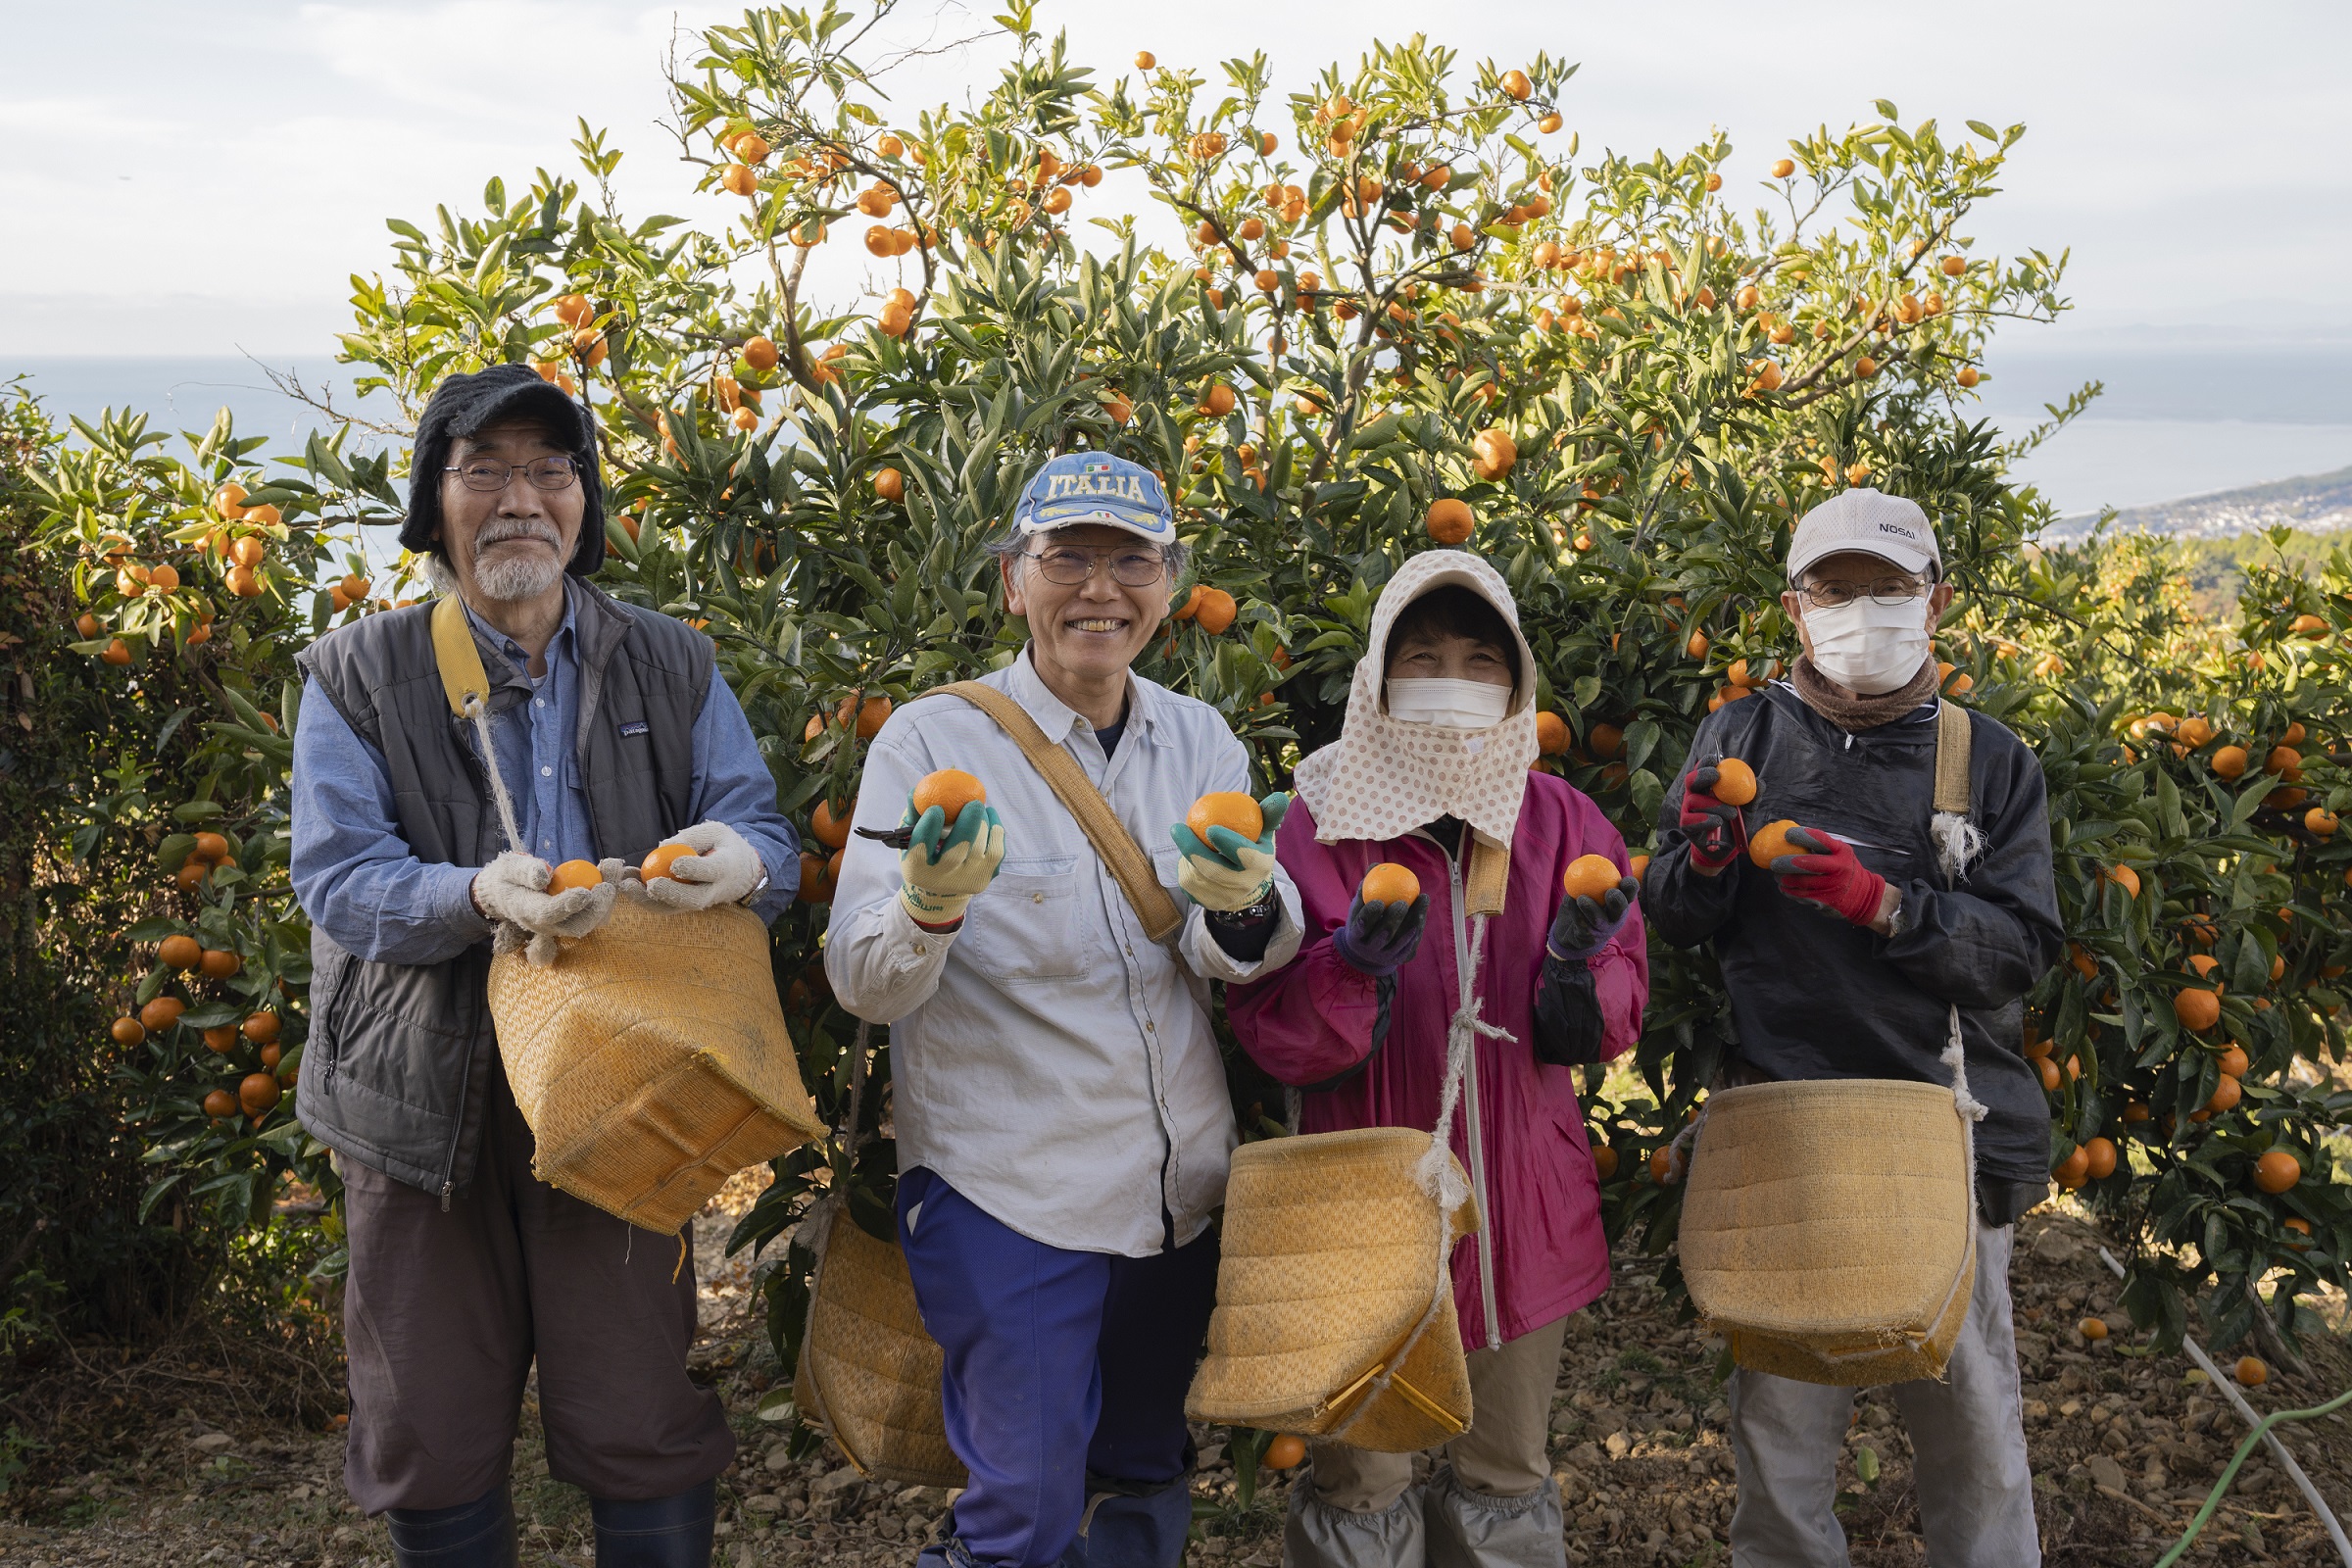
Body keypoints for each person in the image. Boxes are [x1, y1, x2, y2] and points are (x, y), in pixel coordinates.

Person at [289, 363, 802, 1568]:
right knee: (429, 1421)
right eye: (487, 470)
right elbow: (338, 874)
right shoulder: (356, 674)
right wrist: (471, 894)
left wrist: (743, 862)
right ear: (435, 502)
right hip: (423, 1104)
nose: (523, 497)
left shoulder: (670, 662)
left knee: (637, 1413)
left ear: (583, 501)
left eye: (549, 470)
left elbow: (758, 827)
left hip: (623, 1086)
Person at [824, 451, 1306, 1568]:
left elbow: (1227, 939)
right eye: (1068, 557)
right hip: (1013, 1192)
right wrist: (927, 908)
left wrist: (1245, 908)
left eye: (1130, 558)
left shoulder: (1198, 738)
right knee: (1025, 1515)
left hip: (1175, 1188)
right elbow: (861, 975)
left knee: (1143, 1470)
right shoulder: (931, 743)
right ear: (1013, 579)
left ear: (1171, 581)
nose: (1100, 587)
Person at [1643, 488, 2062, 1567]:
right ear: (1796, 606)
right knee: (1781, 1441)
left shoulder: (1986, 759)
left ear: (1936, 602)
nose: (1861, 609)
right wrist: (1701, 860)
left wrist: (1887, 906)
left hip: (1944, 1136)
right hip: (1785, 1128)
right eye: (1837, 588)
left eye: (1889, 587)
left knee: (1971, 1434)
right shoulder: (1739, 732)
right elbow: (1673, 918)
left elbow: (2018, 949)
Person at [1226, 550, 1649, 1568]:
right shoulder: (1320, 828)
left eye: (1477, 659)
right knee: (1361, 1479)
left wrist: (1574, 978)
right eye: (1422, 656)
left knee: (1506, 1473)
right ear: (1377, 677)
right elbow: (1275, 1031)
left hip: (1522, 1213)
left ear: (1515, 684)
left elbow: (1617, 1018)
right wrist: (1349, 971)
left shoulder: (1562, 822)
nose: (1451, 679)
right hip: (1363, 1212)